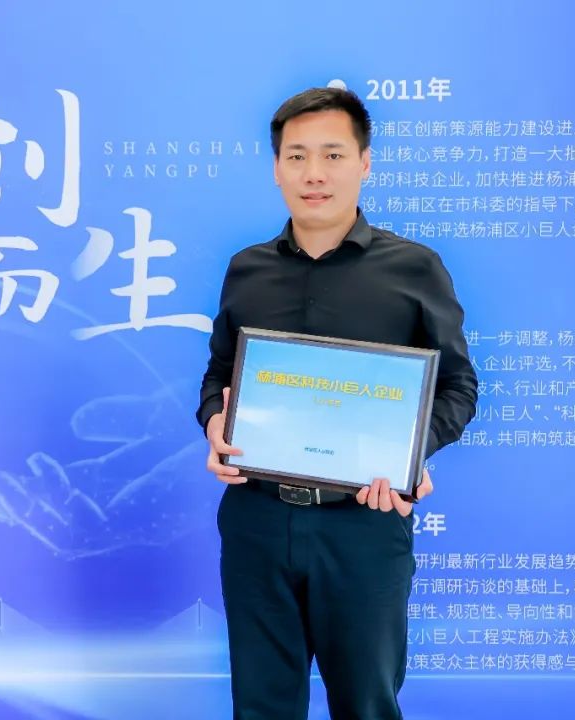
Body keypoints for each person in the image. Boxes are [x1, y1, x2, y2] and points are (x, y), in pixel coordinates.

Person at [196, 87, 478, 720]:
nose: (314, 174)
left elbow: (459, 388)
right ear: (276, 168)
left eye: (332, 154)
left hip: (363, 523)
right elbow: (218, 375)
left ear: (364, 163)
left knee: (366, 705)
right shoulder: (246, 269)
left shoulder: (414, 269)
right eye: (296, 156)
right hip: (256, 521)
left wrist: (410, 452)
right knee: (261, 707)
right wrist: (216, 420)